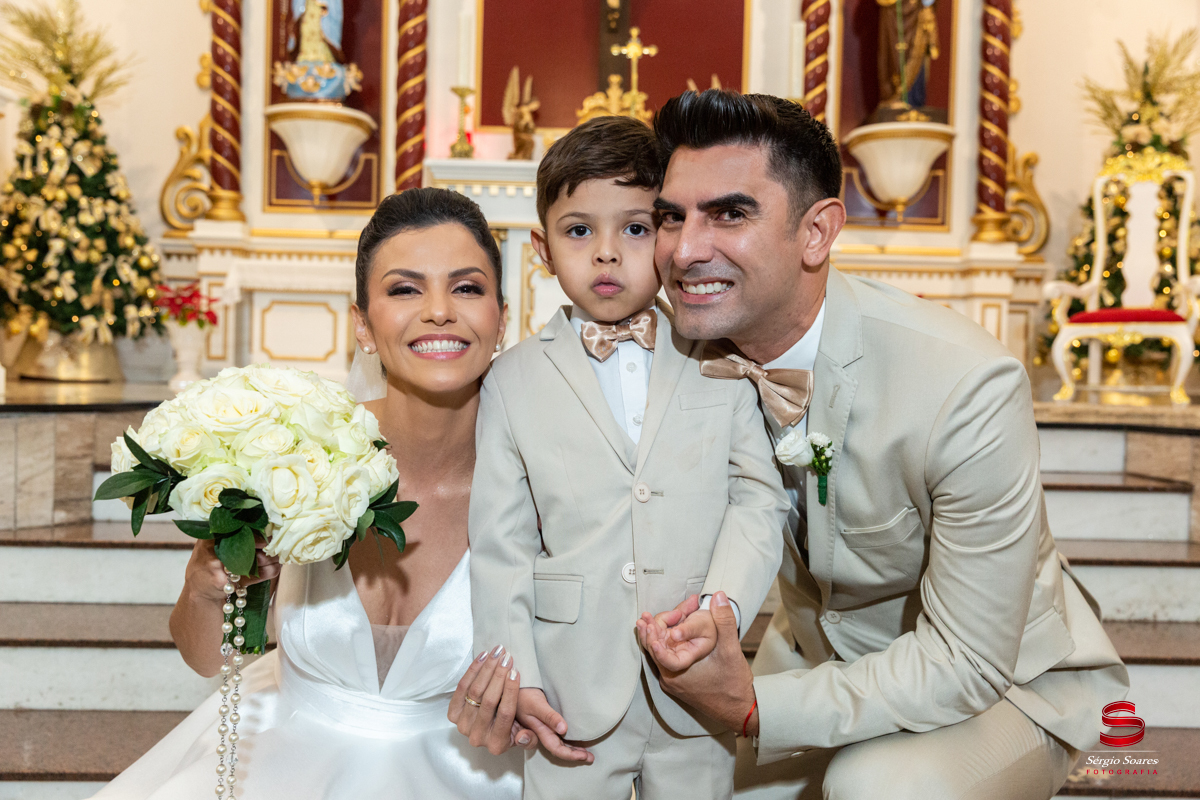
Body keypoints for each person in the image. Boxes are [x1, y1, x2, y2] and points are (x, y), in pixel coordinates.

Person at [636, 90, 1129, 800]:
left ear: (817, 232)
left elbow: (966, 660)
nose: (684, 251)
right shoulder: (677, 352)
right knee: (692, 786)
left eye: (730, 214)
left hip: (1004, 685)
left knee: (877, 789)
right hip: (814, 655)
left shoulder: (964, 384)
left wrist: (753, 708)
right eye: (671, 217)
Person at [93, 188, 530, 799]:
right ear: (363, 325)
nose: (439, 311)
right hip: (279, 767)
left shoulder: (542, 480)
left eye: (466, 287)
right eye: (405, 289)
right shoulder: (294, 451)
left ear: (501, 318)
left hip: (472, 777)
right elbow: (206, 657)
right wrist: (206, 586)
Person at [467, 114, 790, 800]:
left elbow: (758, 499)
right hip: (568, 684)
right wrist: (519, 674)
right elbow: (501, 544)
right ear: (542, 249)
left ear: (670, 237)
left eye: (636, 229)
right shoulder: (511, 379)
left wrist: (721, 609)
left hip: (695, 685)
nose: (607, 254)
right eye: (579, 231)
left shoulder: (723, 358)